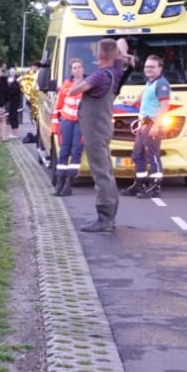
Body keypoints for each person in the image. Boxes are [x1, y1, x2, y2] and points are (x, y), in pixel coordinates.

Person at [78, 38, 131, 233]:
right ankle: (110, 212)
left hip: (94, 128)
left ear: (99, 56)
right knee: (106, 170)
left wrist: (75, 82)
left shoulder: (99, 76)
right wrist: (122, 56)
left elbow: (76, 89)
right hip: (104, 128)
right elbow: (122, 41)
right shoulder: (116, 70)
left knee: (100, 171)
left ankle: (104, 217)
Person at [124, 54, 171, 199]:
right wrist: (132, 102)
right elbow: (144, 93)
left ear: (160, 68)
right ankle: (140, 184)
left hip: (153, 122)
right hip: (146, 122)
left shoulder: (162, 84)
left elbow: (165, 106)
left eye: (152, 67)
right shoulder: (151, 82)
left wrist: (156, 126)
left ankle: (155, 186)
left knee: (152, 155)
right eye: (146, 66)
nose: (148, 69)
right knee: (137, 154)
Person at [52, 58, 87, 196]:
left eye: (79, 67)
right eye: (75, 68)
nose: (77, 70)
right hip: (66, 122)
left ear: (83, 69)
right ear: (71, 70)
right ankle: (59, 182)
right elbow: (58, 107)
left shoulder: (87, 86)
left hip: (80, 123)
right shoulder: (65, 86)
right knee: (64, 152)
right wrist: (55, 125)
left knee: (76, 153)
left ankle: (69, 183)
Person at [4, 66, 24, 135]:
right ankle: (14, 132)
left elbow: (14, 91)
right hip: (12, 100)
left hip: (14, 100)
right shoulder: (12, 80)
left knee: (13, 116)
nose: (12, 73)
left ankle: (15, 133)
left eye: (13, 72)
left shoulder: (17, 81)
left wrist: (9, 88)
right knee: (12, 116)